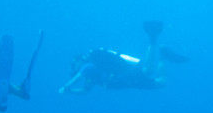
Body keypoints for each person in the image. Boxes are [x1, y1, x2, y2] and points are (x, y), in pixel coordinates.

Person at [59, 21, 187, 93]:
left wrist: (65, 87)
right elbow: (85, 91)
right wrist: (70, 91)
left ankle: (153, 38)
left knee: (148, 70)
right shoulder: (90, 76)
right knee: (161, 83)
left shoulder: (87, 66)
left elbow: (80, 74)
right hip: (123, 82)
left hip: (123, 74)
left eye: (74, 64)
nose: (74, 68)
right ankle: (162, 55)